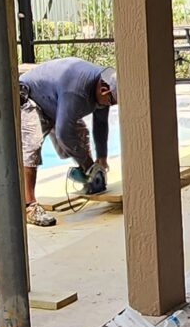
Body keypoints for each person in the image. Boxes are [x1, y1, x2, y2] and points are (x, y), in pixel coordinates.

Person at [18, 57, 118, 225]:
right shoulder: (76, 91)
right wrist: (88, 165)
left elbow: (100, 123)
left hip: (53, 100)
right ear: (103, 90)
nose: (110, 105)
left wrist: (102, 157)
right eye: (111, 102)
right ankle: (29, 206)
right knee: (32, 145)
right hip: (29, 96)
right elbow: (63, 133)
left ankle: (89, 176)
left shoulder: (104, 82)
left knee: (81, 133)